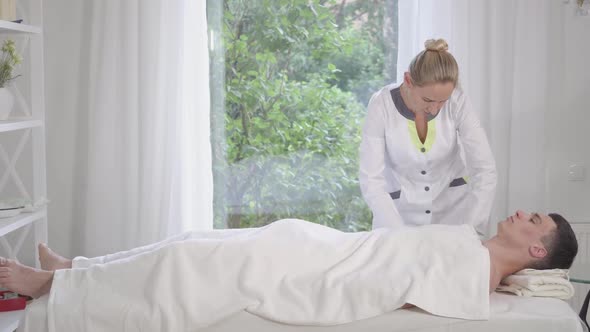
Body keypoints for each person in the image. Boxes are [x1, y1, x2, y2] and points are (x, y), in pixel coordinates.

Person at [0, 210, 578, 330]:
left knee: (185, 262)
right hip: (321, 243)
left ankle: (52, 284)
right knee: (193, 237)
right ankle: (77, 267)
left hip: (322, 267)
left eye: (535, 222)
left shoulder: (474, 277)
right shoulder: (468, 244)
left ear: (536, 251)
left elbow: (404, 288)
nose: (522, 213)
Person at [360, 38, 497, 233]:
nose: (434, 108)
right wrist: (398, 235)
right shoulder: (381, 105)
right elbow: (371, 179)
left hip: (454, 218)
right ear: (408, 80)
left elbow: (485, 170)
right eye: (427, 99)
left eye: (443, 101)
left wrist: (469, 229)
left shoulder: (458, 102)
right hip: (398, 219)